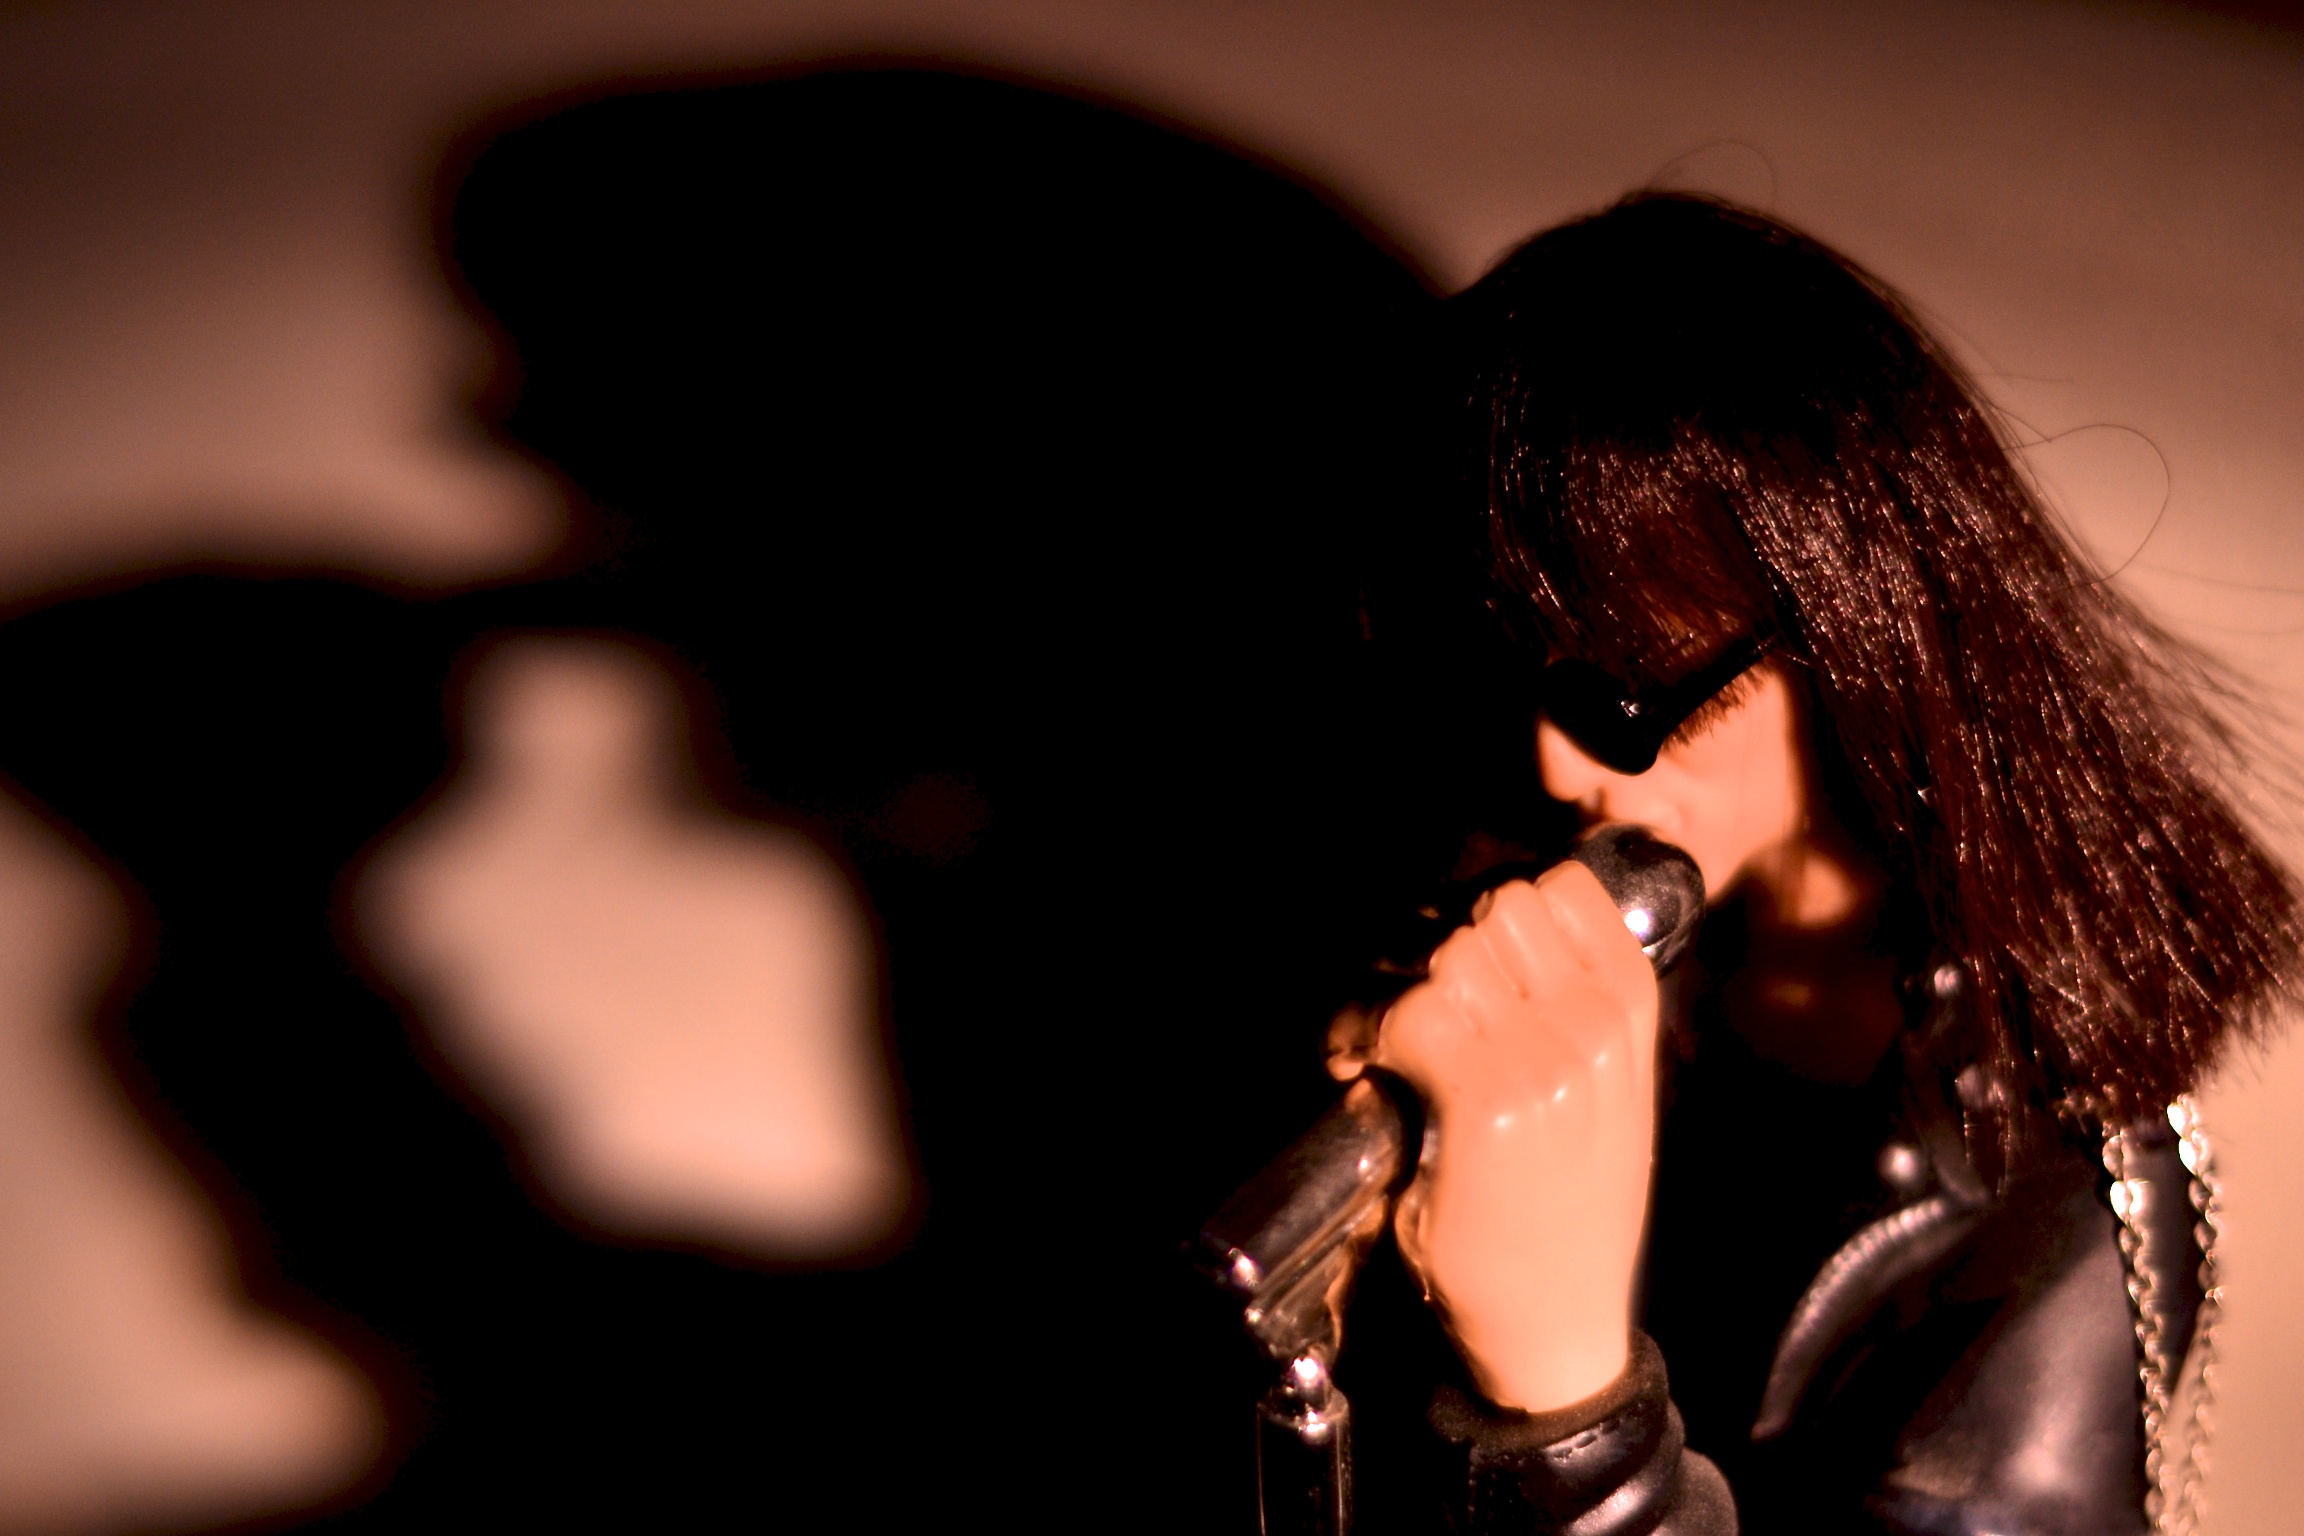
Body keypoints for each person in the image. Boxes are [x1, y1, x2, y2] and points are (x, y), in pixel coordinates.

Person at [1333, 194, 2300, 1534]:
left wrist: (1565, 1409)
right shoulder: (1605, 892)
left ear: (1848, 640)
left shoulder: (2059, 1213)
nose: (1555, 767)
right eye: (1515, 671)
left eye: (1624, 692)